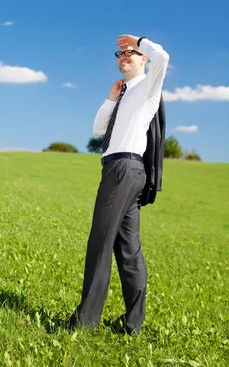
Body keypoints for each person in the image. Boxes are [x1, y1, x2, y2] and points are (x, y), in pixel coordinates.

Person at [69, 34, 169, 335]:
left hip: (124, 169)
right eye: (120, 54)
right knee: (128, 249)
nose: (124, 56)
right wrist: (112, 97)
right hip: (119, 169)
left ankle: (85, 323)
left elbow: (163, 58)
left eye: (132, 53)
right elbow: (100, 129)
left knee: (100, 241)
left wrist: (141, 40)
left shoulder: (149, 86)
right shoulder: (125, 93)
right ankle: (132, 325)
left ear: (143, 59)